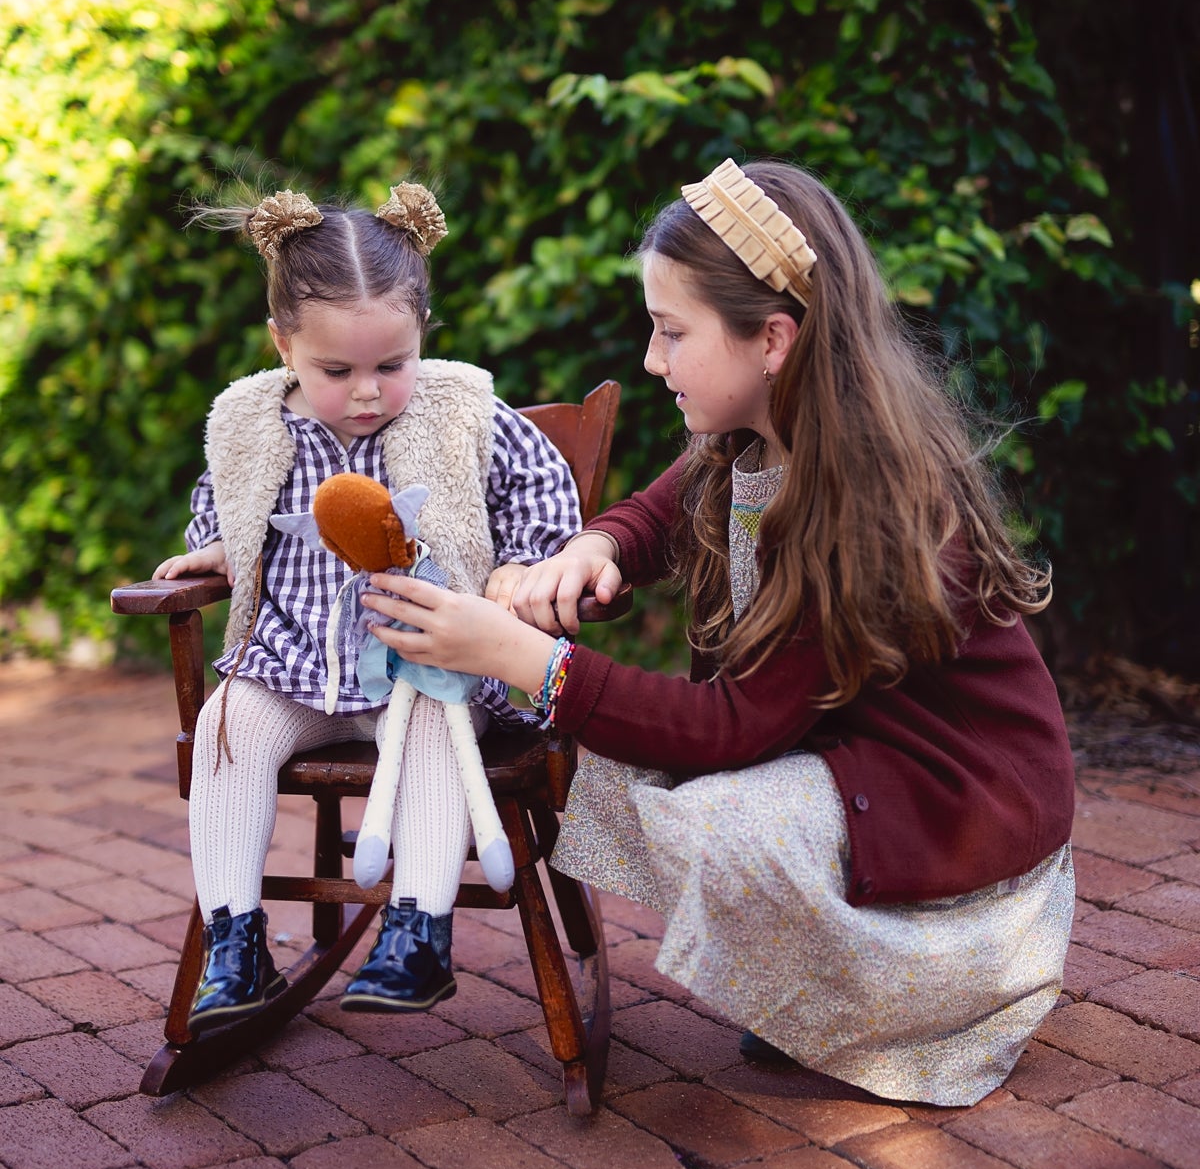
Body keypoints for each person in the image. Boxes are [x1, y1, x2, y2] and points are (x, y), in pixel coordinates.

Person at [361, 158, 1077, 1107]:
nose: (652, 360)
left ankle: (909, 1000)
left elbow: (729, 728)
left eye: (670, 332)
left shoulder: (864, 505)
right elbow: (664, 507)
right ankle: (810, 976)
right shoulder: (752, 433)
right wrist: (598, 545)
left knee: (717, 817)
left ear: (772, 339)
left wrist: (524, 662)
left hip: (952, 817)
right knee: (633, 763)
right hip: (861, 758)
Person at [153, 183, 580, 1027]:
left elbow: (542, 491)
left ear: (422, 333)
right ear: (284, 346)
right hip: (295, 664)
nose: (366, 392)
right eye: (335, 371)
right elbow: (226, 499)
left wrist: (525, 571)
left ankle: (416, 931)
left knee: (428, 725)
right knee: (223, 728)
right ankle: (234, 944)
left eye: (391, 365)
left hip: (424, 665)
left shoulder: (463, 416)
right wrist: (219, 546)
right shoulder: (257, 426)